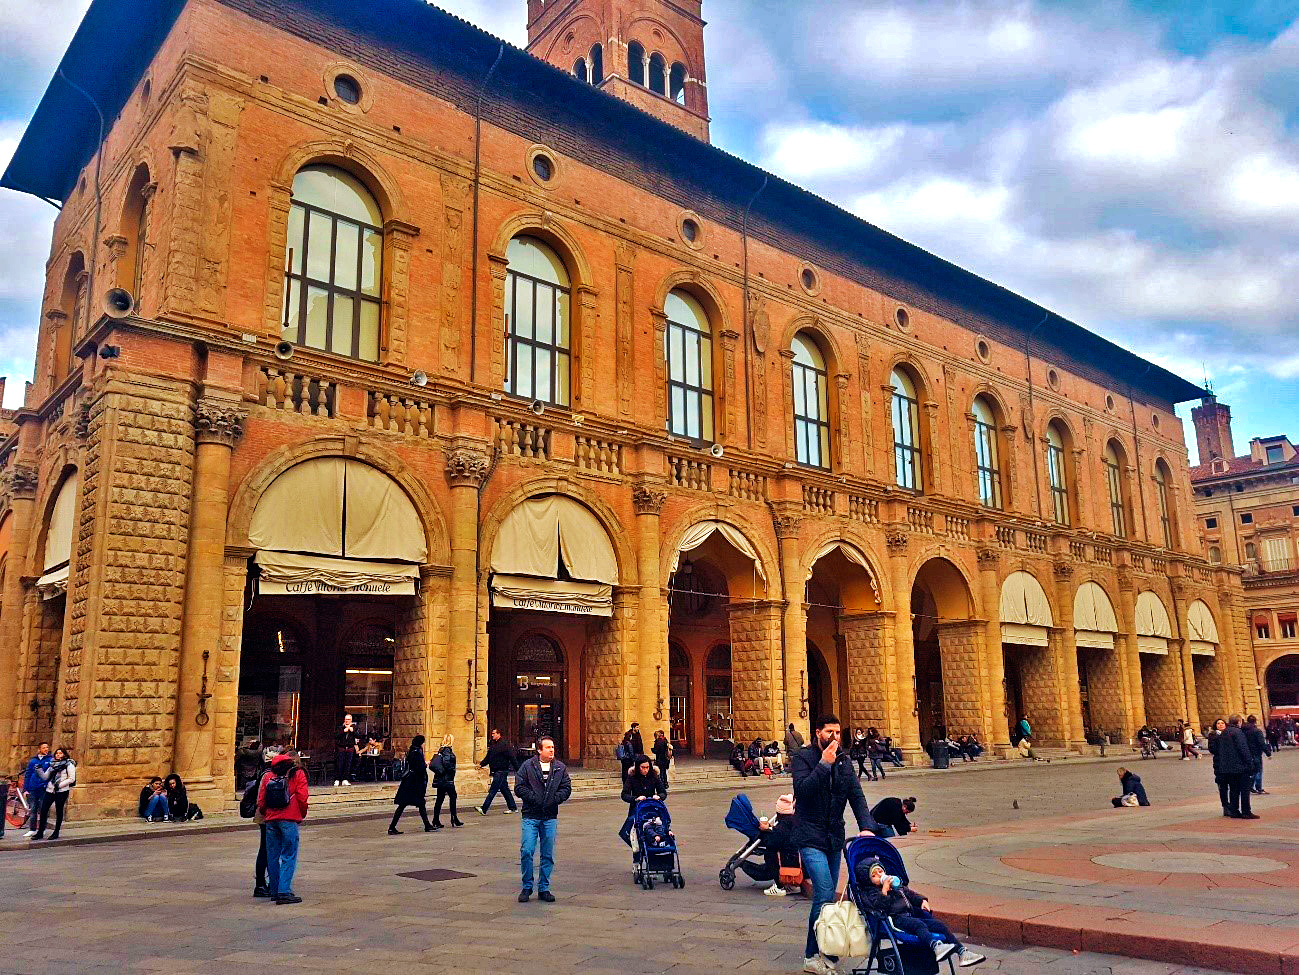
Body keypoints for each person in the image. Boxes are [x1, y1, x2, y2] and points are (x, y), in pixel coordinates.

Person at [792, 714, 877, 975]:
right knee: (825, 892)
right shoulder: (803, 758)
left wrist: (866, 826)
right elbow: (803, 791)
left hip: (832, 837)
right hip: (808, 835)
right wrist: (823, 765)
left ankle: (826, 950)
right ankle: (811, 955)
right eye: (830, 732)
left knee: (828, 898)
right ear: (818, 732)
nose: (835, 737)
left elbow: (856, 794)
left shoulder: (844, 761)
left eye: (838, 733)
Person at [856, 857, 984, 967]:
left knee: (939, 925)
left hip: (910, 915)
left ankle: (962, 952)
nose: (879, 875)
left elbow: (910, 894)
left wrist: (922, 900)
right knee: (919, 925)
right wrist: (884, 891)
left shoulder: (896, 886)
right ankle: (936, 946)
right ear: (868, 880)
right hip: (895, 920)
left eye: (880, 871)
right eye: (874, 875)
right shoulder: (870, 892)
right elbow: (879, 905)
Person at [514, 734, 572, 903]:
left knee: (547, 854)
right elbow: (519, 787)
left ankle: (544, 888)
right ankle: (527, 886)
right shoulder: (527, 766)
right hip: (530, 815)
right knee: (527, 850)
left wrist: (555, 799)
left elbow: (566, 788)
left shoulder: (560, 768)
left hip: (549, 816)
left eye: (553, 747)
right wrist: (534, 798)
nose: (551, 750)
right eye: (548, 747)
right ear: (539, 750)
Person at [257, 751, 309, 904]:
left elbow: (261, 801)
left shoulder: (268, 776)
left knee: (272, 856)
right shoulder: (297, 774)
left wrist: (268, 813)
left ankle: (274, 890)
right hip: (289, 818)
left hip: (271, 820)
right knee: (288, 855)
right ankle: (284, 891)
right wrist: (301, 814)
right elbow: (302, 797)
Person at [738, 793, 797, 896]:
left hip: (789, 859)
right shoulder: (791, 821)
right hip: (795, 858)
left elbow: (774, 841)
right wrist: (770, 829)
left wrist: (766, 830)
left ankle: (780, 886)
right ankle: (790, 884)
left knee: (770, 853)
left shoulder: (783, 825)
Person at [1209, 715, 1255, 819]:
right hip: (1240, 767)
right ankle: (1246, 812)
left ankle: (1234, 811)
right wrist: (1250, 764)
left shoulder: (1223, 733)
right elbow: (1243, 749)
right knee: (1244, 790)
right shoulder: (1238, 732)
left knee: (1233, 790)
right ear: (1239, 722)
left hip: (1227, 768)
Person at [389, 735, 433, 834]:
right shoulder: (416, 752)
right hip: (414, 783)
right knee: (415, 804)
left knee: (406, 805)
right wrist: (425, 764)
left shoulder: (412, 751)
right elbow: (419, 767)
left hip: (410, 783)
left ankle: (427, 825)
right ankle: (427, 825)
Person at [619, 755, 667, 846]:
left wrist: (659, 796)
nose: (645, 770)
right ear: (638, 767)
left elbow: (663, 793)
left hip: (652, 807)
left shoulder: (654, 776)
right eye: (643, 767)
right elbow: (624, 794)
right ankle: (637, 852)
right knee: (627, 832)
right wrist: (636, 798)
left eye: (647, 767)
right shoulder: (632, 777)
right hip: (637, 808)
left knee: (656, 827)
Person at [32, 747, 75, 841]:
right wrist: (39, 770)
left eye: (60, 753)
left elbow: (72, 778)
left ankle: (56, 832)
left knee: (59, 811)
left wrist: (60, 785)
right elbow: (45, 777)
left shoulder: (69, 764)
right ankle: (40, 832)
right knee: (43, 810)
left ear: (64, 754)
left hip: (61, 791)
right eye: (57, 753)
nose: (58, 755)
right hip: (50, 790)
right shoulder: (52, 764)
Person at [478, 728, 518, 815]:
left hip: (501, 770)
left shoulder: (504, 745)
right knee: (505, 790)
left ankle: (484, 809)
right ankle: (513, 807)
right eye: (492, 734)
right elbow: (489, 757)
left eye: (494, 733)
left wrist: (518, 769)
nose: (492, 735)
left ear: (499, 734)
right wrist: (481, 764)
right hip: (497, 770)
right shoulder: (493, 744)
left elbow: (512, 757)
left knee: (493, 790)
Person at [430, 733, 463, 829]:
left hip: (441, 779)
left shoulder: (441, 750)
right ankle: (454, 818)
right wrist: (451, 771)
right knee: (453, 797)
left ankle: (436, 819)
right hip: (447, 779)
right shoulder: (447, 751)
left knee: (439, 799)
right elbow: (447, 763)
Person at [21, 742, 51, 836]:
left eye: (47, 747)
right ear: (39, 749)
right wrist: (25, 789)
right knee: (33, 809)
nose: (46, 749)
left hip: (43, 788)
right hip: (33, 788)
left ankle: (42, 828)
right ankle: (32, 829)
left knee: (43, 809)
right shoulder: (33, 761)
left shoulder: (50, 760)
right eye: (44, 748)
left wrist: (47, 785)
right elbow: (28, 774)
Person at [1244, 715, 1271, 795]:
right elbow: (1262, 743)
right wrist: (1268, 753)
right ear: (1255, 721)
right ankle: (1259, 788)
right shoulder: (1257, 731)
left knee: (1251, 771)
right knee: (1258, 771)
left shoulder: (1243, 731)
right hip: (1256, 754)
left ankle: (1250, 786)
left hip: (1247, 754)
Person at [333, 713, 360, 787]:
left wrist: (352, 731)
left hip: (350, 748)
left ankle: (345, 779)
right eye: (346, 719)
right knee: (339, 764)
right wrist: (343, 731)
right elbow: (335, 736)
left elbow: (359, 736)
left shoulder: (354, 727)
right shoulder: (340, 727)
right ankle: (337, 779)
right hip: (341, 748)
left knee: (348, 764)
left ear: (351, 720)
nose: (347, 721)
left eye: (348, 720)